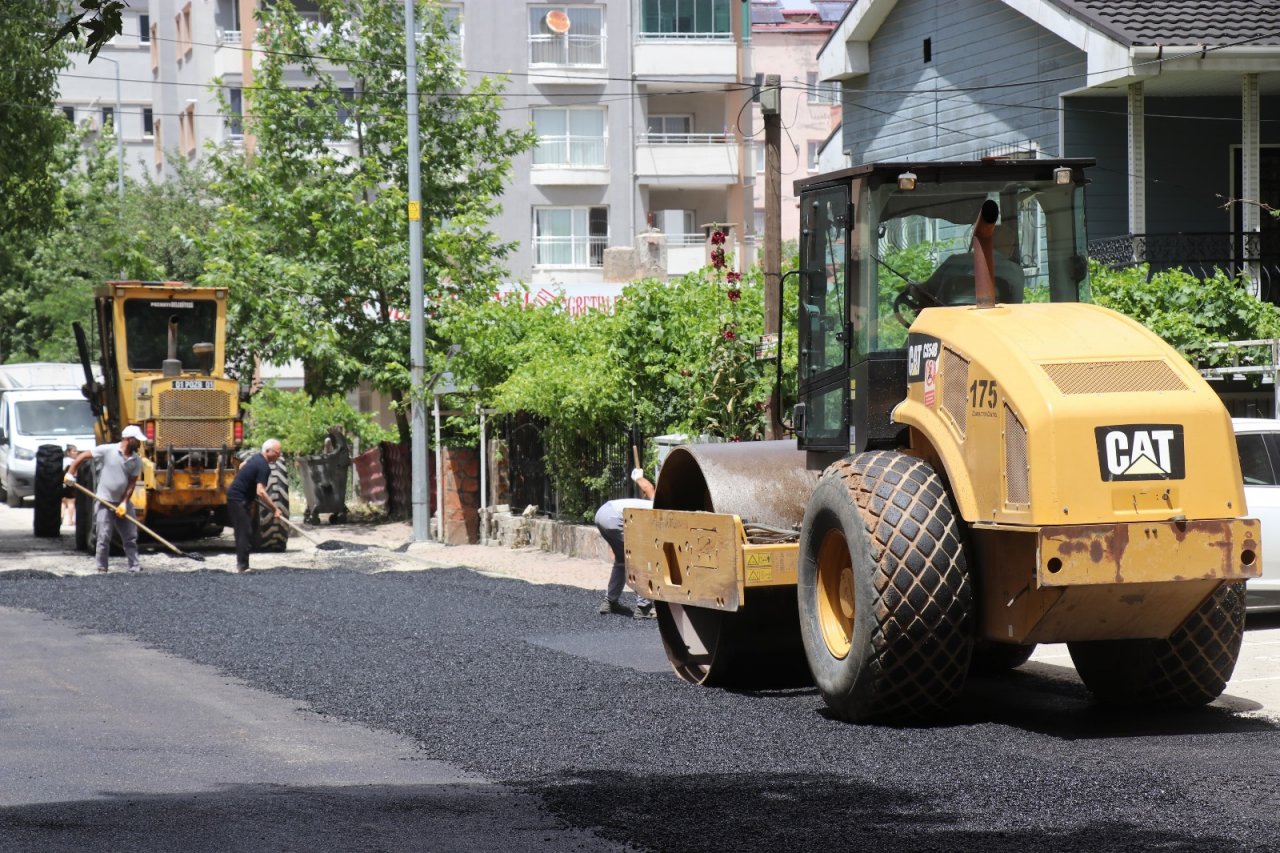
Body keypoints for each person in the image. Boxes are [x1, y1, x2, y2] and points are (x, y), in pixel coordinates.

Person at [66, 427, 145, 574]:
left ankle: (134, 567)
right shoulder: (108, 450)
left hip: (123, 503)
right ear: (128, 439)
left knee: (130, 538)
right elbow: (83, 456)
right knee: (103, 537)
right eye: (137, 440)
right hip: (104, 501)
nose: (140, 443)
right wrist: (71, 473)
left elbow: (132, 483)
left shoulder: (136, 460)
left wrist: (123, 502)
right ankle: (102, 568)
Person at [594, 467, 657, 619]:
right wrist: (638, 477)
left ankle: (609, 602)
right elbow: (648, 487)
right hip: (615, 517)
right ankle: (643, 607)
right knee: (639, 559)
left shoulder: (643, 509)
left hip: (602, 514)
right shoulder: (657, 506)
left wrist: (637, 477)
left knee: (622, 559)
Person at [226, 438, 285, 573]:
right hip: (238, 498)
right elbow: (261, 491)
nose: (279, 455)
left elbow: (242, 466)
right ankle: (242, 566)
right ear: (268, 451)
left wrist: (246, 481)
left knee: (245, 530)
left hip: (238, 496)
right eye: (277, 452)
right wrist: (275, 509)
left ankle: (243, 565)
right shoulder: (264, 467)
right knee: (244, 531)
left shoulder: (257, 458)